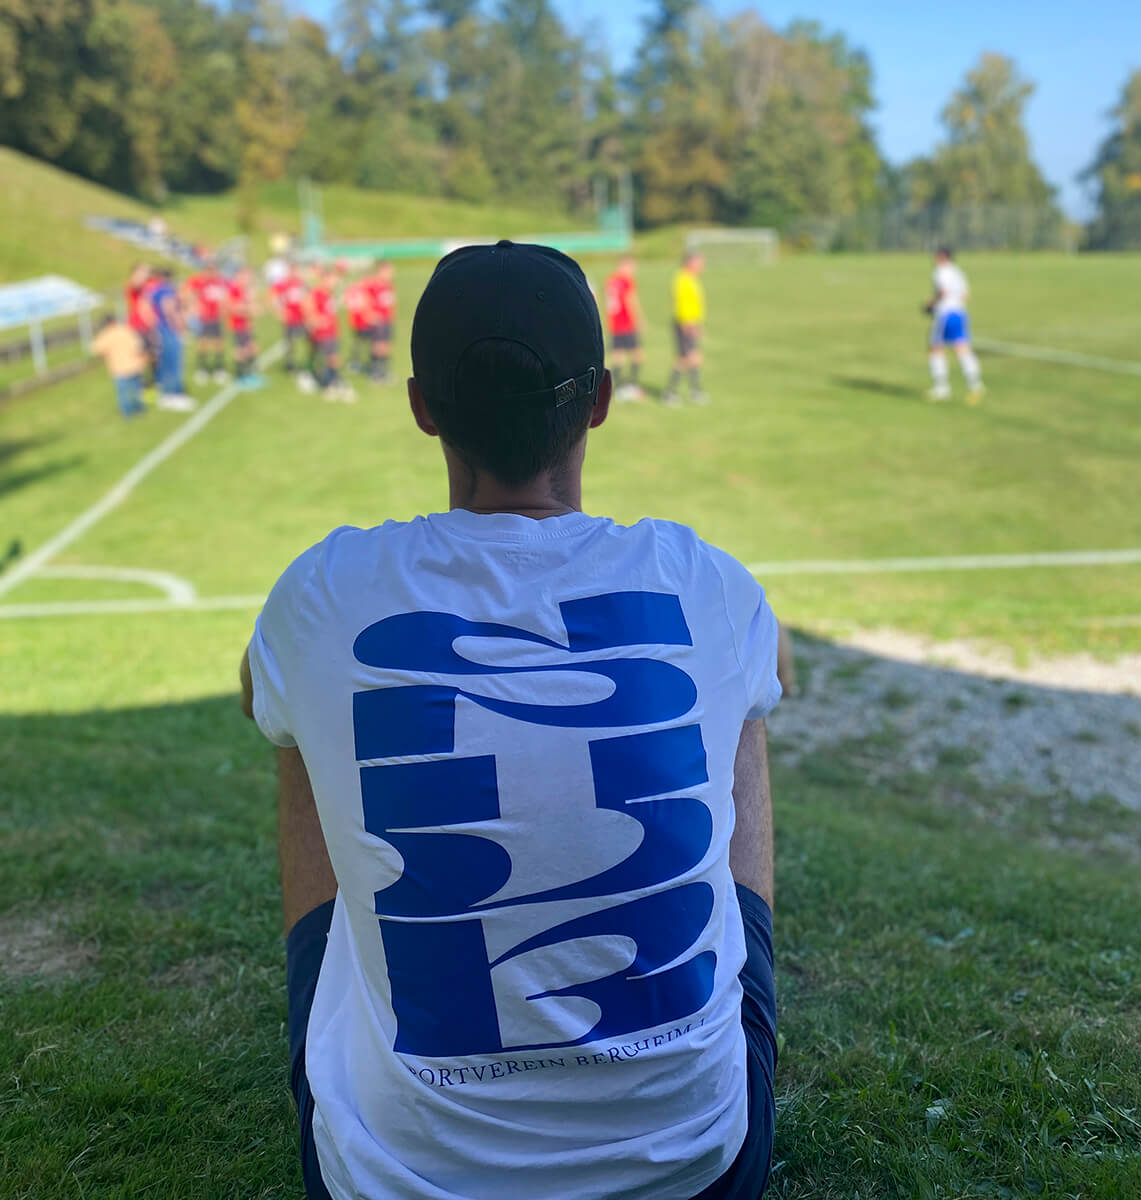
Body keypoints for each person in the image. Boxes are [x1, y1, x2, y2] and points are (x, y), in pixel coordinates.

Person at [239, 240, 780, 1200]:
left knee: (303, 722)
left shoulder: (324, 589)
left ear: (422, 407)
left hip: (397, 1182)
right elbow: (776, 668)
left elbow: (256, 692)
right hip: (694, 1170)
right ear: (602, 400)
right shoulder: (700, 577)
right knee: (741, 699)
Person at [924, 247, 984, 404]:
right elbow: (965, 296)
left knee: (935, 348)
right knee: (962, 348)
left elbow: (943, 292)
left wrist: (931, 304)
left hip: (945, 315)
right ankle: (976, 384)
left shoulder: (941, 271)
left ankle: (941, 388)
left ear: (942, 257)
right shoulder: (958, 272)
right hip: (960, 313)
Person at [144, 267, 195, 412]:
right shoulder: (167, 291)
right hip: (169, 331)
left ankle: (166, 395)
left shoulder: (153, 292)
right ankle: (176, 394)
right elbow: (170, 310)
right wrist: (181, 326)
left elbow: (148, 310)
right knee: (174, 364)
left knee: (165, 364)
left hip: (160, 330)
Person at [304, 267, 354, 403]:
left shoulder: (328, 293)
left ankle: (333, 383)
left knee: (332, 359)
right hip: (323, 333)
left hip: (332, 332)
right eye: (332, 279)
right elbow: (309, 311)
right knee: (332, 359)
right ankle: (330, 384)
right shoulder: (317, 293)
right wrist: (318, 321)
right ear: (325, 279)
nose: (335, 282)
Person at [665, 251, 708, 406]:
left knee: (695, 357)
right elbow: (682, 303)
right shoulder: (682, 279)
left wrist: (698, 323)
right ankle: (669, 393)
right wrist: (687, 324)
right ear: (690, 263)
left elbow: (694, 304)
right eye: (700, 263)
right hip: (684, 324)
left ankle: (695, 391)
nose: (702, 267)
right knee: (684, 359)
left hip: (692, 323)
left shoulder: (691, 279)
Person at [604, 254, 645, 401]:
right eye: (632, 266)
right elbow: (630, 301)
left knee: (618, 357)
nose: (633, 270)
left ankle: (614, 389)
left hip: (615, 324)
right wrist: (638, 320)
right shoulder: (625, 281)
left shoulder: (611, 280)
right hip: (626, 323)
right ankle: (631, 386)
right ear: (624, 265)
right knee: (638, 355)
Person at [90, 315, 147, 418]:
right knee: (136, 390)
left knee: (123, 393)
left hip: (119, 369)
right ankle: (140, 408)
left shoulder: (106, 335)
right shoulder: (126, 329)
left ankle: (128, 413)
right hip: (134, 365)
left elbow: (94, 349)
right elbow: (138, 345)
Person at [185, 255, 230, 386]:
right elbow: (187, 291)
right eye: (209, 270)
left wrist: (224, 311)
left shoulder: (221, 282)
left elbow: (227, 296)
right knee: (203, 342)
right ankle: (202, 368)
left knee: (218, 343)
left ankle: (219, 367)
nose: (211, 273)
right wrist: (194, 305)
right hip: (204, 317)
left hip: (217, 317)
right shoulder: (200, 282)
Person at [226, 265, 265, 390]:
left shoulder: (245, 290)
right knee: (241, 350)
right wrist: (249, 310)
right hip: (238, 325)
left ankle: (249, 372)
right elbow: (232, 307)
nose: (249, 279)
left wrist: (254, 308)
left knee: (252, 348)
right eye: (247, 276)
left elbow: (252, 305)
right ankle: (241, 375)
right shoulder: (234, 289)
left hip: (246, 325)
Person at [271, 262, 310, 376]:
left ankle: (301, 363)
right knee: (290, 342)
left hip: (301, 318)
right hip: (290, 318)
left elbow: (307, 298)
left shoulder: (301, 284)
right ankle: (290, 364)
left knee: (303, 341)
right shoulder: (283, 284)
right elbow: (274, 298)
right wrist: (280, 312)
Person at [125, 263, 158, 396]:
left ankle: (152, 382)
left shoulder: (149, 285)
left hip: (149, 327)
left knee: (153, 356)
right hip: (138, 327)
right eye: (141, 272)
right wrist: (142, 273)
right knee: (141, 356)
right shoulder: (134, 286)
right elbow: (136, 283)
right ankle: (141, 385)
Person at [365, 260, 395, 381]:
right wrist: (370, 314)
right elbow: (365, 300)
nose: (391, 274)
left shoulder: (388, 285)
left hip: (386, 320)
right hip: (377, 321)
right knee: (378, 346)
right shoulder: (373, 286)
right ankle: (375, 372)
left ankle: (384, 371)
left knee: (386, 346)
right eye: (388, 271)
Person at [343, 273, 376, 374]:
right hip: (362, 321)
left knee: (358, 342)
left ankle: (355, 361)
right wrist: (370, 317)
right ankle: (361, 362)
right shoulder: (362, 291)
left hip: (356, 321)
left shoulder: (351, 290)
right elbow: (366, 305)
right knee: (367, 343)